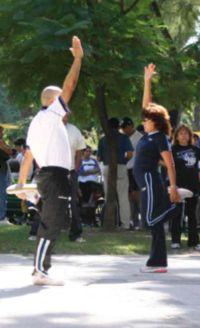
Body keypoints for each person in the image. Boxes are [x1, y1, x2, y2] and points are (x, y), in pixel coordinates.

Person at [16, 35, 83, 285]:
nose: (67, 107)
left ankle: (41, 270)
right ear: (53, 102)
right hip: (54, 176)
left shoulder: (37, 123)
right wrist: (77, 60)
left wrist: (23, 185)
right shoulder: (51, 114)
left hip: (49, 176)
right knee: (51, 223)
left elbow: (27, 157)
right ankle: (39, 271)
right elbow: (70, 86)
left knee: (52, 222)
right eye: (62, 102)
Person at [136, 63, 180, 273]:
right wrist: (146, 81)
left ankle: (157, 262)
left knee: (153, 220)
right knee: (150, 220)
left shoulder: (161, 138)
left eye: (147, 119)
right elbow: (147, 105)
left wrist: (173, 187)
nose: (143, 121)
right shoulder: (148, 135)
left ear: (155, 122)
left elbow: (169, 163)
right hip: (145, 183)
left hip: (151, 181)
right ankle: (157, 261)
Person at [170, 124, 200, 250]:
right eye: (181, 133)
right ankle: (175, 240)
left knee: (192, 214)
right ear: (176, 136)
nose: (183, 136)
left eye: (186, 133)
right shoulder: (172, 149)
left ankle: (194, 241)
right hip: (178, 185)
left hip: (193, 185)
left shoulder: (195, 149)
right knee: (177, 213)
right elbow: (163, 161)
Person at [97, 117, 133, 229]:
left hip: (107, 167)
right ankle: (125, 224)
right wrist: (124, 160)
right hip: (121, 166)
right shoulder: (124, 137)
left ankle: (109, 221)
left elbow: (98, 158)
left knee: (108, 196)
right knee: (123, 197)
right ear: (118, 126)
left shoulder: (103, 139)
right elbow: (130, 153)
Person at [63, 114, 87, 242]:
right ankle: (40, 232)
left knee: (73, 203)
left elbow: (79, 153)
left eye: (67, 113)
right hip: (53, 171)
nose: (65, 115)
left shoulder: (74, 130)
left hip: (71, 171)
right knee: (49, 203)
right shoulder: (50, 128)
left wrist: (75, 170)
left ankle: (76, 233)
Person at [121, 117, 144, 229]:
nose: (124, 130)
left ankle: (143, 221)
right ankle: (133, 221)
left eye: (125, 127)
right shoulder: (123, 137)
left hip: (135, 169)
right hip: (126, 169)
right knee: (129, 196)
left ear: (130, 126)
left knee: (137, 196)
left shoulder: (139, 137)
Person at [78, 146, 102, 225]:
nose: (88, 153)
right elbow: (82, 172)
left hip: (93, 182)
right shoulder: (80, 161)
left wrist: (88, 171)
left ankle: (91, 218)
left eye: (89, 151)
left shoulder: (94, 161)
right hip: (83, 183)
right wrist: (92, 171)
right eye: (87, 151)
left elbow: (98, 170)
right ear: (83, 152)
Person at [0, 125, 13, 224]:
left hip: (2, 171)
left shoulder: (2, 142)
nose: (2, 133)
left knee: (2, 194)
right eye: (1, 131)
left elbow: (10, 151)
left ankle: (1, 216)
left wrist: (2, 145)